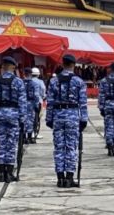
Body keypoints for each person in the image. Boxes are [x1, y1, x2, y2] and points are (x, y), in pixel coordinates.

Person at [46, 54, 88, 188]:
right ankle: (69, 178)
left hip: (58, 115)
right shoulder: (78, 81)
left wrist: (49, 118)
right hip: (72, 116)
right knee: (70, 147)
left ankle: (60, 178)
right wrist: (84, 119)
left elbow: (50, 102)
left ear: (62, 64)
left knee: (58, 147)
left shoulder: (54, 81)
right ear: (73, 65)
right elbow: (83, 103)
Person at [0, 56, 27, 183]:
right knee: (11, 144)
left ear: (3, 66)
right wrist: (23, 119)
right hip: (13, 114)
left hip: (0, 113)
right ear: (13, 66)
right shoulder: (18, 81)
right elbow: (22, 102)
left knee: (1, 144)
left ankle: (1, 173)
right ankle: (9, 172)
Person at [98, 62, 114, 157]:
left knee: (109, 127)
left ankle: (110, 148)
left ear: (110, 69)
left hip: (107, 105)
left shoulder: (104, 80)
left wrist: (101, 107)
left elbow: (101, 95)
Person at [23, 68, 41, 144]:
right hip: (31, 103)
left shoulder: (21, 83)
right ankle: (29, 137)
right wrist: (37, 106)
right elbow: (36, 96)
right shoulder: (34, 84)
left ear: (24, 74)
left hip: (22, 103)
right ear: (31, 74)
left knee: (23, 119)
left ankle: (23, 137)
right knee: (30, 120)